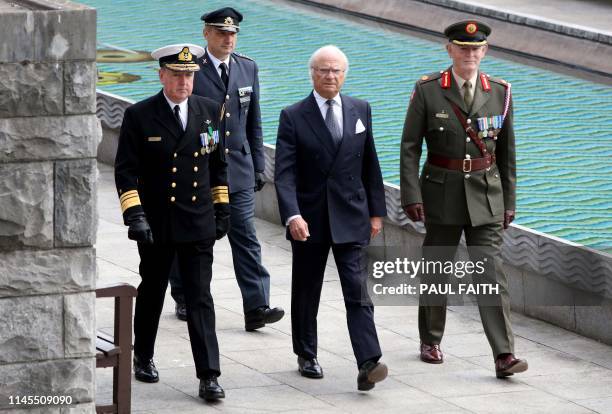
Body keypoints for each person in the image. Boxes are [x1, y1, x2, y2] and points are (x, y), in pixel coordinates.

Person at [400, 20, 528, 378]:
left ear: (484, 52)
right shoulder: (428, 90)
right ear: (450, 50)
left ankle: (504, 355)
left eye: (476, 49)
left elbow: (507, 152)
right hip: (440, 193)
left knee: (491, 274)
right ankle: (430, 338)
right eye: (463, 48)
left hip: (487, 197)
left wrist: (510, 201)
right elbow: (410, 147)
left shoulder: (501, 91)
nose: (470, 54)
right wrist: (411, 194)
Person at [114, 43, 228, 400]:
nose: (184, 82)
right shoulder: (140, 115)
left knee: (200, 298)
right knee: (153, 292)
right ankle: (143, 356)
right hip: (157, 224)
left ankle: (209, 375)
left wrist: (222, 208)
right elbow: (126, 173)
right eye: (177, 75)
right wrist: (135, 216)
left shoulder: (210, 111)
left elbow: (217, 166)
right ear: (161, 75)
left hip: (197, 223)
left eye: (190, 75)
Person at [275, 45, 389, 391]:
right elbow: (285, 174)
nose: (330, 76)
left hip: (352, 215)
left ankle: (368, 361)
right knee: (307, 289)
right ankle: (306, 352)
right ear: (312, 73)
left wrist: (376, 211)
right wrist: (292, 214)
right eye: (324, 70)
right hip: (310, 219)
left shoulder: (360, 109)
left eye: (336, 70)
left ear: (345, 74)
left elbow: (370, 162)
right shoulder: (293, 115)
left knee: (357, 290)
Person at [168, 6, 284, 331]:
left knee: (246, 236)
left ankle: (257, 307)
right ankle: (185, 296)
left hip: (240, 170)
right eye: (221, 32)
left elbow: (254, 121)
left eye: (232, 34)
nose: (228, 38)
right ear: (206, 33)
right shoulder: (190, 69)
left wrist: (259, 165)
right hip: (201, 170)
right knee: (193, 237)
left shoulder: (248, 67)